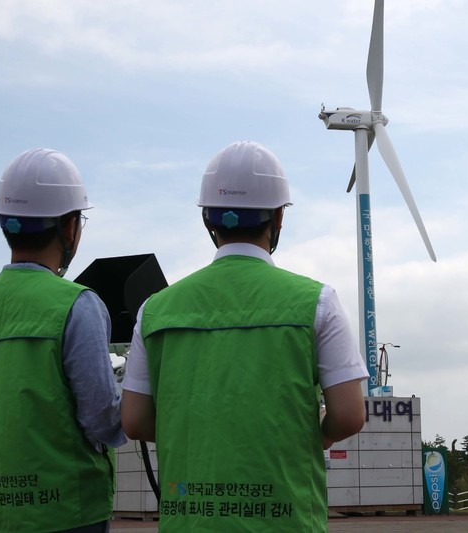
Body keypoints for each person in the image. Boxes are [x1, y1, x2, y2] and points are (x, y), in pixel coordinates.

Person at [121, 140, 368, 532]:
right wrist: (317, 434)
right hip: (286, 520)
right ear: (278, 218)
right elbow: (350, 415)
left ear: (208, 220)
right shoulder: (317, 302)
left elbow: (134, 420)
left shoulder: (155, 309)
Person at [0, 148, 126, 533]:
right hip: (69, 514)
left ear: (6, 225)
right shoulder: (78, 305)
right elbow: (103, 421)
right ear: (69, 227)